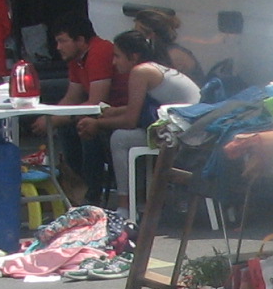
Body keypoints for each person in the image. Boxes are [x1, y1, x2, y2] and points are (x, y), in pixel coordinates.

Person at [82, 20, 201, 209]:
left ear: (134, 56)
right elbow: (146, 107)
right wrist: (114, 112)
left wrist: (98, 124)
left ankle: (124, 206)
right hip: (188, 127)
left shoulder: (140, 72)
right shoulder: (153, 68)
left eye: (117, 56)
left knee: (120, 138)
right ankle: (139, 198)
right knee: (123, 135)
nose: (113, 62)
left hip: (186, 134)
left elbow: (131, 121)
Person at [36, 18, 115, 202]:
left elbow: (96, 104)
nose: (58, 47)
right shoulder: (76, 58)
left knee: (86, 128)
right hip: (102, 114)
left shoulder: (99, 52)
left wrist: (54, 119)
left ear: (80, 40)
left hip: (116, 113)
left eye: (62, 41)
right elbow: (72, 97)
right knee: (66, 127)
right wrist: (49, 117)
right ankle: (76, 187)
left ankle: (91, 195)